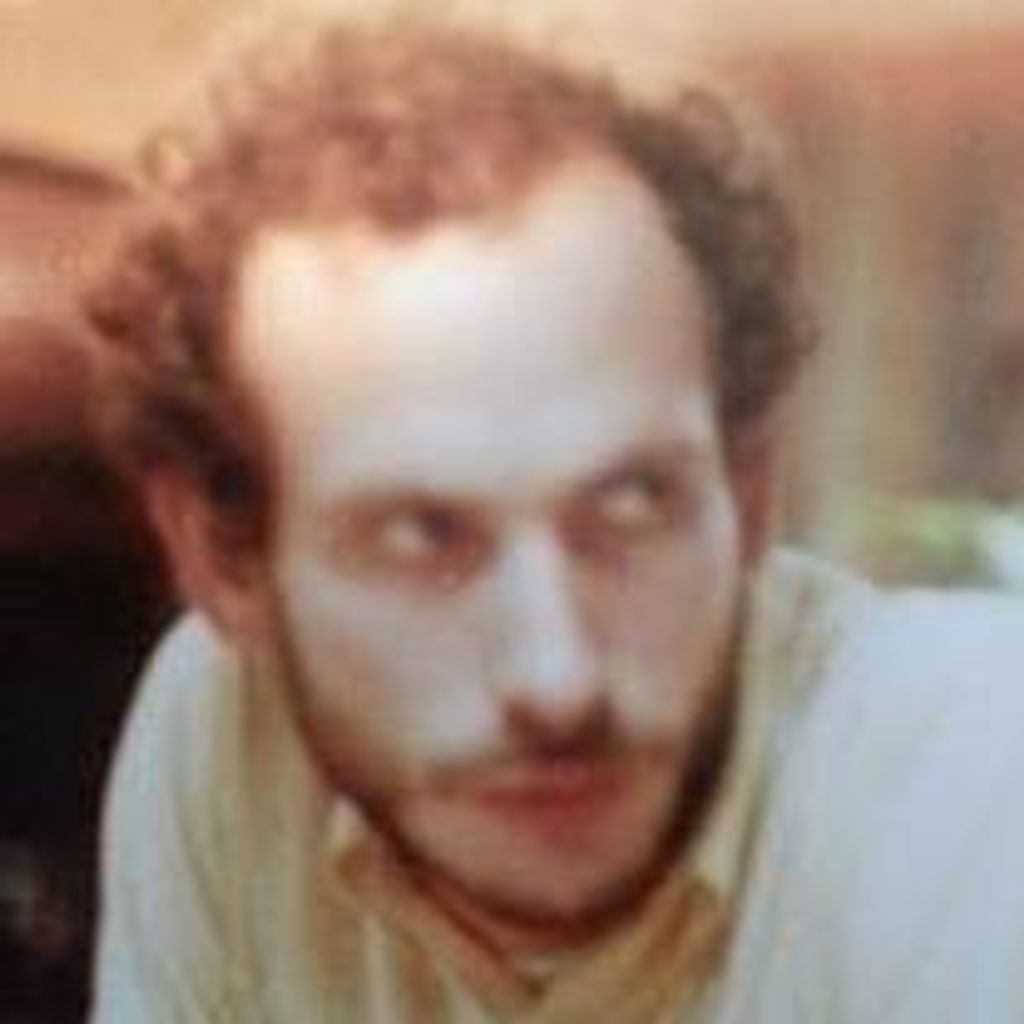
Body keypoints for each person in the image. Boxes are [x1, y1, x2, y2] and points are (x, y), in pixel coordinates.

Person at [86, 16, 1024, 1024]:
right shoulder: (218, 729)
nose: (557, 677)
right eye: (421, 537)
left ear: (748, 497)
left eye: (632, 505)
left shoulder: (970, 762)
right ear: (224, 563)